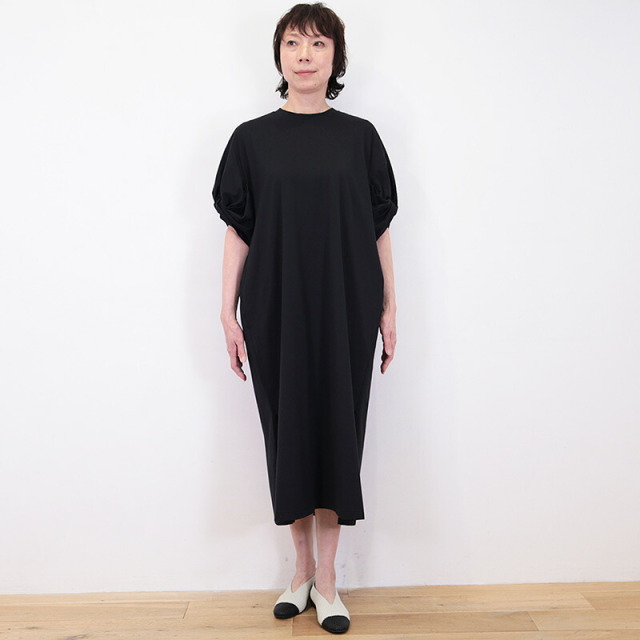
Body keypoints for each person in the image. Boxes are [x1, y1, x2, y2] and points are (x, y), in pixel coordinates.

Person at [212, 2, 398, 634]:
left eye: (319, 43)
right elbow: (239, 229)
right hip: (275, 304)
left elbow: (379, 227)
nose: (305, 55)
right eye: (293, 43)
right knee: (288, 432)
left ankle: (330, 580)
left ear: (335, 57)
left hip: (347, 302)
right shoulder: (250, 139)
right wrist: (227, 310)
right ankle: (300, 574)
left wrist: (390, 306)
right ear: (279, 55)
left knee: (338, 430)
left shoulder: (361, 138)